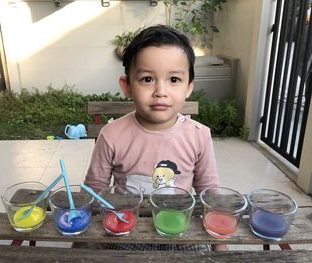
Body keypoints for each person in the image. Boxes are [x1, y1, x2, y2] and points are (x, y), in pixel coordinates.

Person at [84, 25, 226, 251]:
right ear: (127, 86)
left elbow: (209, 193)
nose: (161, 90)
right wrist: (80, 246)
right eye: (148, 79)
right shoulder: (111, 135)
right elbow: (93, 192)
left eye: (174, 80)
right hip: (125, 230)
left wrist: (220, 247)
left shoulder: (199, 135)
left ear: (189, 87)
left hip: (180, 230)